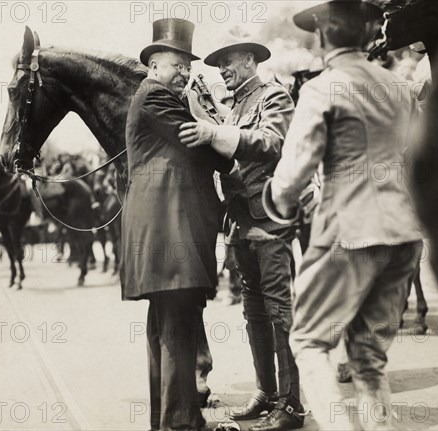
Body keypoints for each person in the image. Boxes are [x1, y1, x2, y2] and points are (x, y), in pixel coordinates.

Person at [266, 1, 424, 430]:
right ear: (367, 34)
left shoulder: (322, 88)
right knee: (369, 359)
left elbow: (293, 172)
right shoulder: (399, 87)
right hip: (405, 233)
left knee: (310, 342)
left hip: (350, 229)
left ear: (322, 35)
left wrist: (277, 201)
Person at [178, 29, 304, 431]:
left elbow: (271, 143)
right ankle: (266, 393)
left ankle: (292, 406)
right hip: (241, 222)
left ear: (249, 59)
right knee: (254, 313)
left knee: (280, 310)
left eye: (227, 62)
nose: (221, 70)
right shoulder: (231, 107)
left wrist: (215, 131)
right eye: (217, 65)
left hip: (270, 221)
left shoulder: (274, 95)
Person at [119, 18, 232, 430]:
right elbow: (209, 152)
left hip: (167, 233)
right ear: (153, 67)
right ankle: (180, 425)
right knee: (176, 330)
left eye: (187, 66)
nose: (183, 73)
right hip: (169, 233)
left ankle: (174, 421)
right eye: (176, 65)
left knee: (169, 332)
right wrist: (222, 141)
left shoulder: (155, 95)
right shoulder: (156, 96)